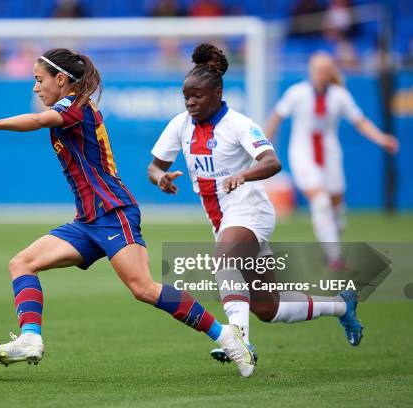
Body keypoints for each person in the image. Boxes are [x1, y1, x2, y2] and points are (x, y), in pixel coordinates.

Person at [0, 48, 255, 377]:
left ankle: (227, 336)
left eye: (38, 79)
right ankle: (31, 338)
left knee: (143, 288)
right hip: (88, 220)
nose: (35, 88)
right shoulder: (71, 107)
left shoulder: (74, 107)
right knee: (22, 263)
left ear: (61, 80)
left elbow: (36, 120)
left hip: (113, 212)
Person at [147, 43, 364, 365]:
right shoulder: (181, 124)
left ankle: (239, 340)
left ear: (218, 92)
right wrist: (160, 178)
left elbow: (272, 161)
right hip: (222, 220)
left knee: (224, 259)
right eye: (186, 97)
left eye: (198, 96)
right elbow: (154, 167)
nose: (191, 102)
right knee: (267, 308)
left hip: (250, 211)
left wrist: (244, 175)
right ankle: (341, 305)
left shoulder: (239, 124)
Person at [264, 52, 398, 270]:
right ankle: (334, 257)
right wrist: (261, 146)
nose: (320, 74)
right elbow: (276, 118)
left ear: (330, 72)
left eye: (324, 70)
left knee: (337, 209)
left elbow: (359, 121)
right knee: (321, 202)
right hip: (303, 155)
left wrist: (382, 139)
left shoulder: (339, 96)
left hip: (330, 155)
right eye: (316, 69)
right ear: (310, 71)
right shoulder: (296, 93)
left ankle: (332, 245)